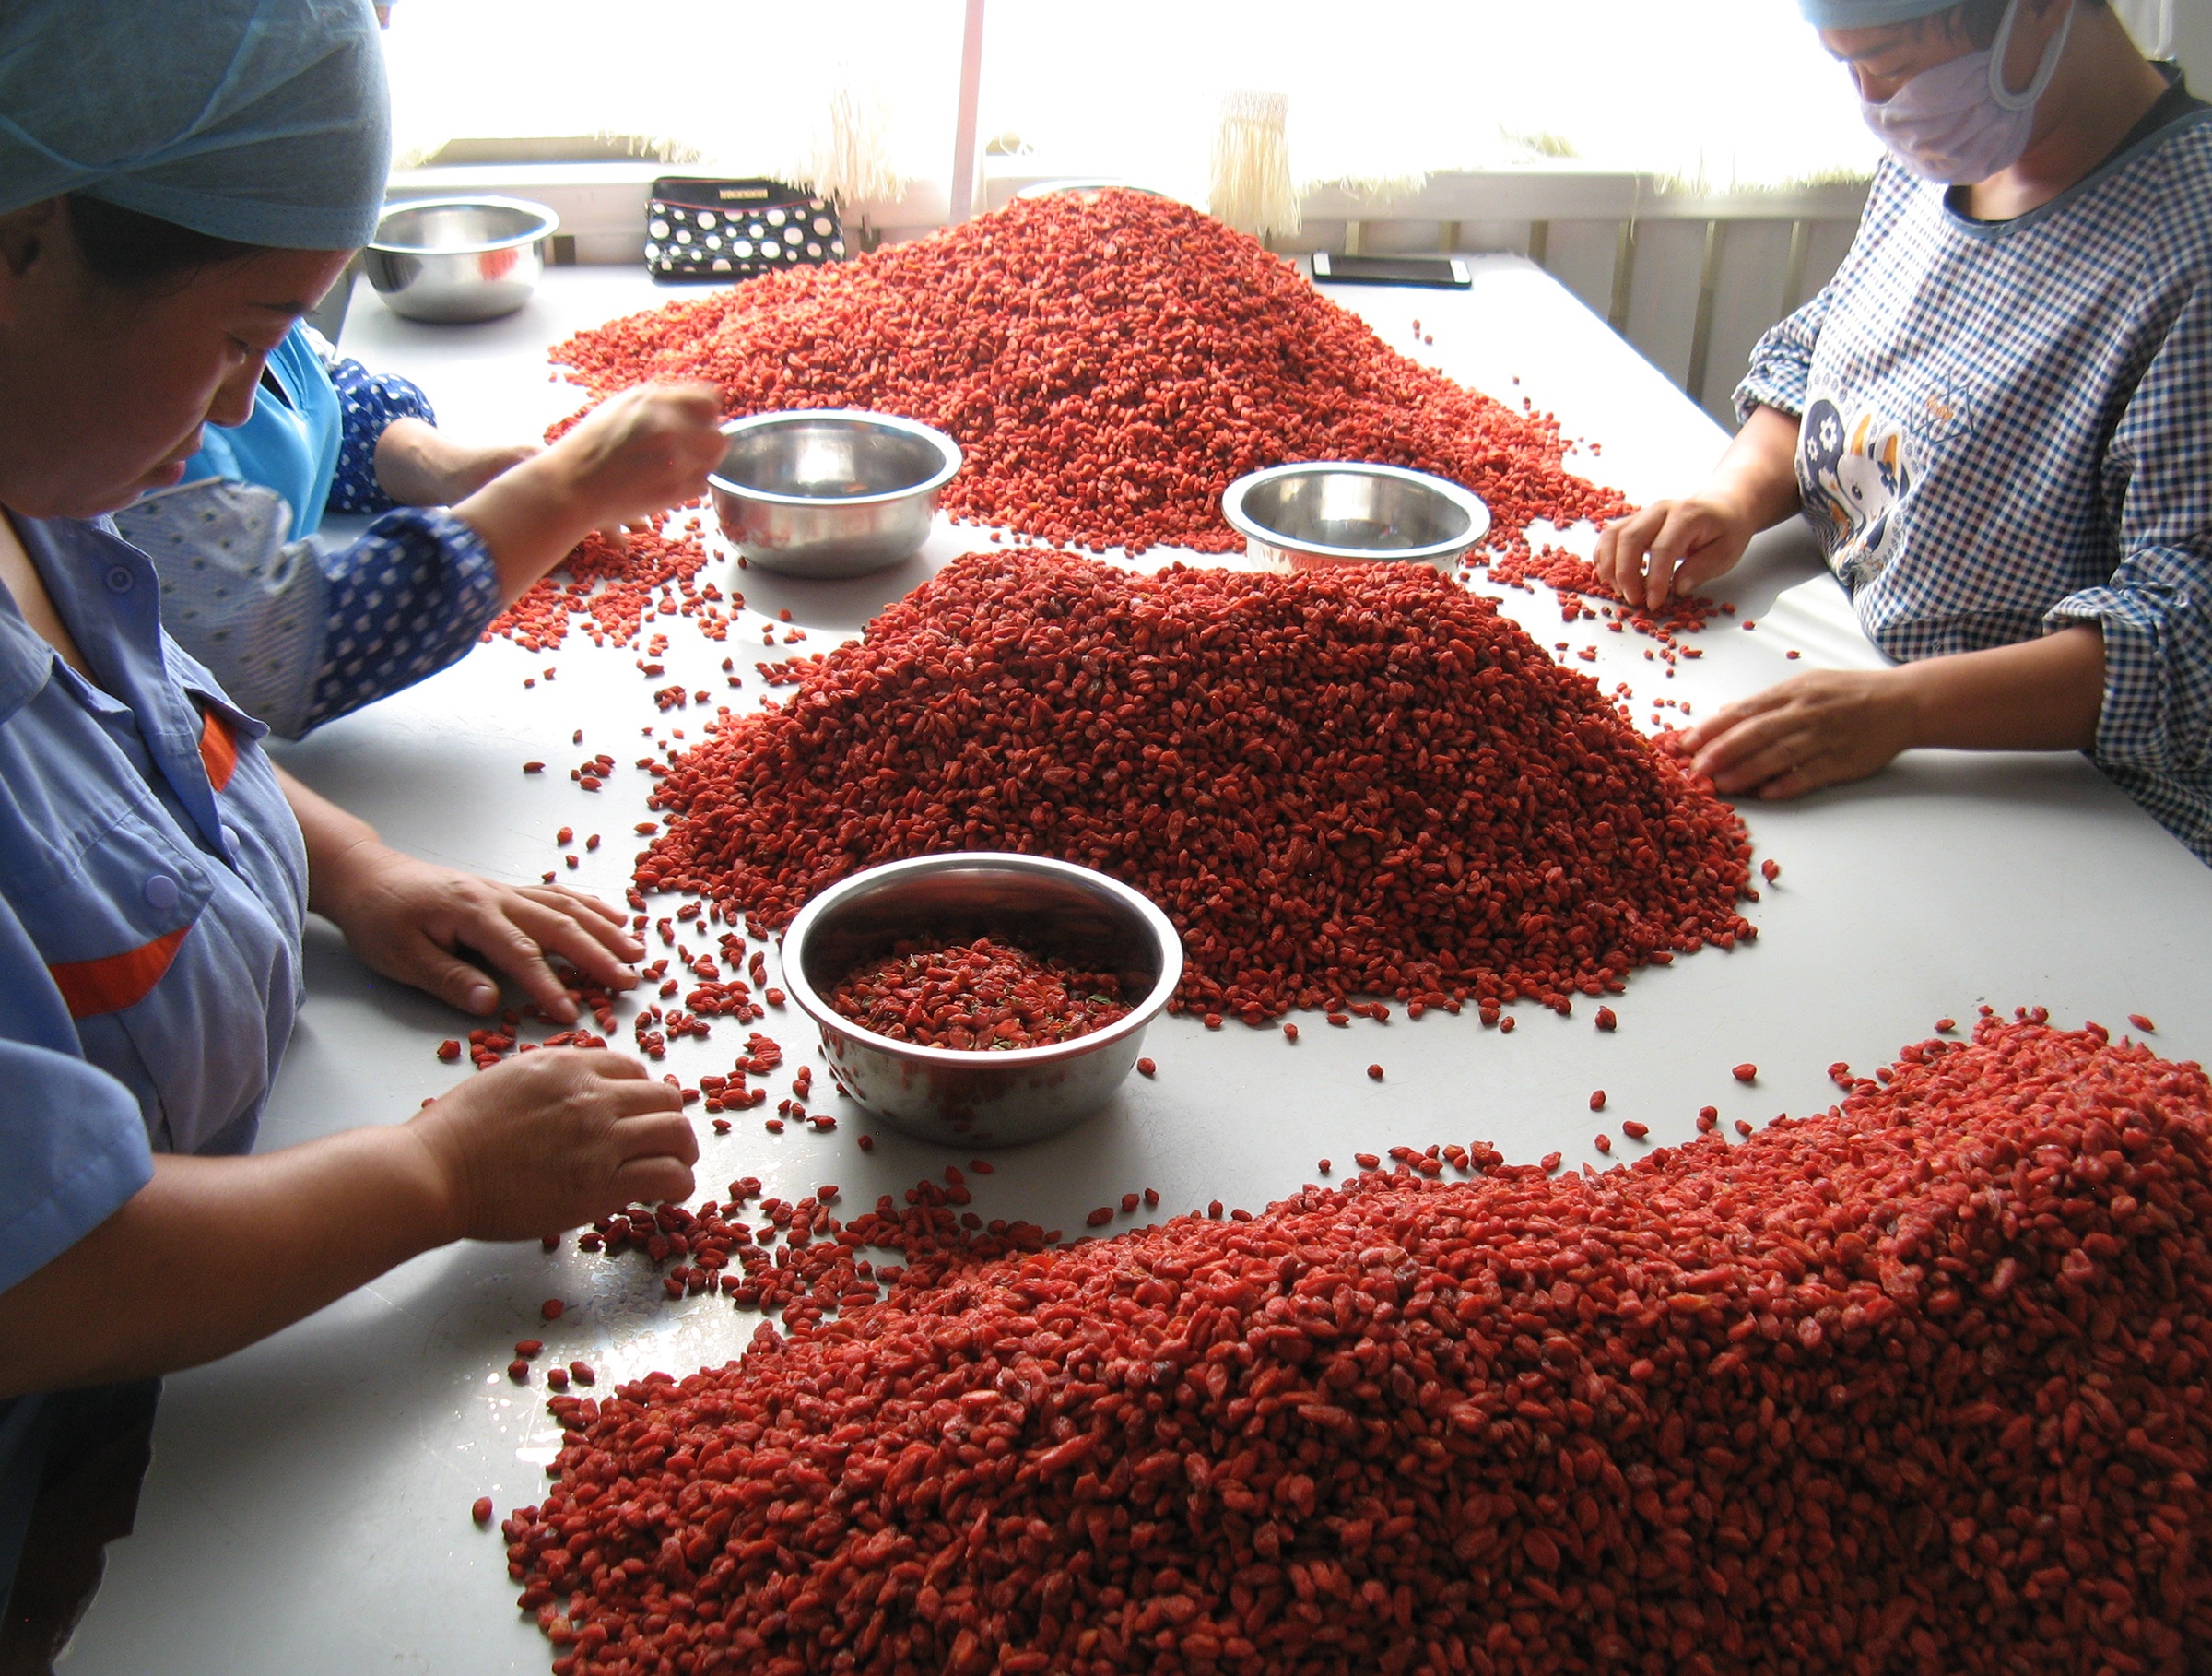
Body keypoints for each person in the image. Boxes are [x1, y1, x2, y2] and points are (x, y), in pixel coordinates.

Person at [0, 0, 727, 1654]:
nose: (259, 405)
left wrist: (356, 867)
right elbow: (36, 1277)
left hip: (201, 1375)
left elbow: (158, 738)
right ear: (23, 247)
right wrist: (434, 1169)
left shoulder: (46, 512)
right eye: (241, 334)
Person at [1594, 0, 2212, 864]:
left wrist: (1902, 712)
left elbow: (2186, 634)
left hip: (2070, 804)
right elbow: (1818, 358)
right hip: (1848, 663)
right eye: (1843, 65)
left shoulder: (2191, 247)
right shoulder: (1946, 158)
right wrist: (1731, 497)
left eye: (1884, 62)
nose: (1873, 104)